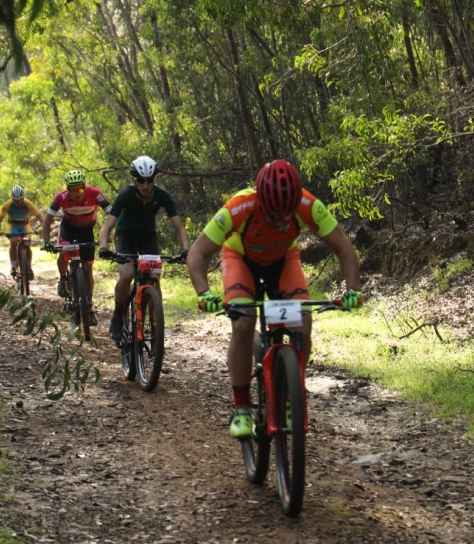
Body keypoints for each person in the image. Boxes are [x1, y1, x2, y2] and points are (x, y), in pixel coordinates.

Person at [186, 159, 364, 438]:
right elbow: (196, 253)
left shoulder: (308, 204)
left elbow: (343, 246)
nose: (281, 223)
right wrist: (204, 293)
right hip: (241, 260)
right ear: (260, 201)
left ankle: (294, 391)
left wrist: (352, 288)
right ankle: (241, 406)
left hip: (283, 261)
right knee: (244, 324)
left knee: (302, 322)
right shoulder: (239, 206)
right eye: (272, 217)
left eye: (287, 216)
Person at [98, 155, 190, 341]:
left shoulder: (162, 195)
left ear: (155, 180)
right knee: (127, 274)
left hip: (148, 235)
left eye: (150, 180)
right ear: (134, 180)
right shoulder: (127, 194)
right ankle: (118, 314)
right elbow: (107, 227)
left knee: (154, 277)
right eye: (141, 181)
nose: (145, 185)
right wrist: (103, 247)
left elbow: (179, 228)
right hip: (125, 234)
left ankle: (156, 322)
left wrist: (186, 250)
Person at [41, 170, 112, 325]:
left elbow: (112, 214)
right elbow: (47, 220)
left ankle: (89, 305)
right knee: (64, 253)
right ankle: (63, 277)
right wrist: (46, 241)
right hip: (68, 229)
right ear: (68, 189)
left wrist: (107, 235)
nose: (77, 193)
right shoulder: (61, 197)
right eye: (73, 190)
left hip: (87, 231)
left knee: (89, 268)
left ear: (85, 188)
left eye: (80, 189)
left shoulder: (95, 194)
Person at [0, 184, 45, 279]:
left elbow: (40, 216)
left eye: (20, 200)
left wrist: (42, 227)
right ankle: (13, 266)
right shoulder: (7, 204)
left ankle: (28, 266)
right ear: (12, 199)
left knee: (27, 243)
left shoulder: (28, 203)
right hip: (12, 225)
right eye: (16, 200)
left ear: (23, 198)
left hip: (25, 226)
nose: (18, 202)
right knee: (13, 242)